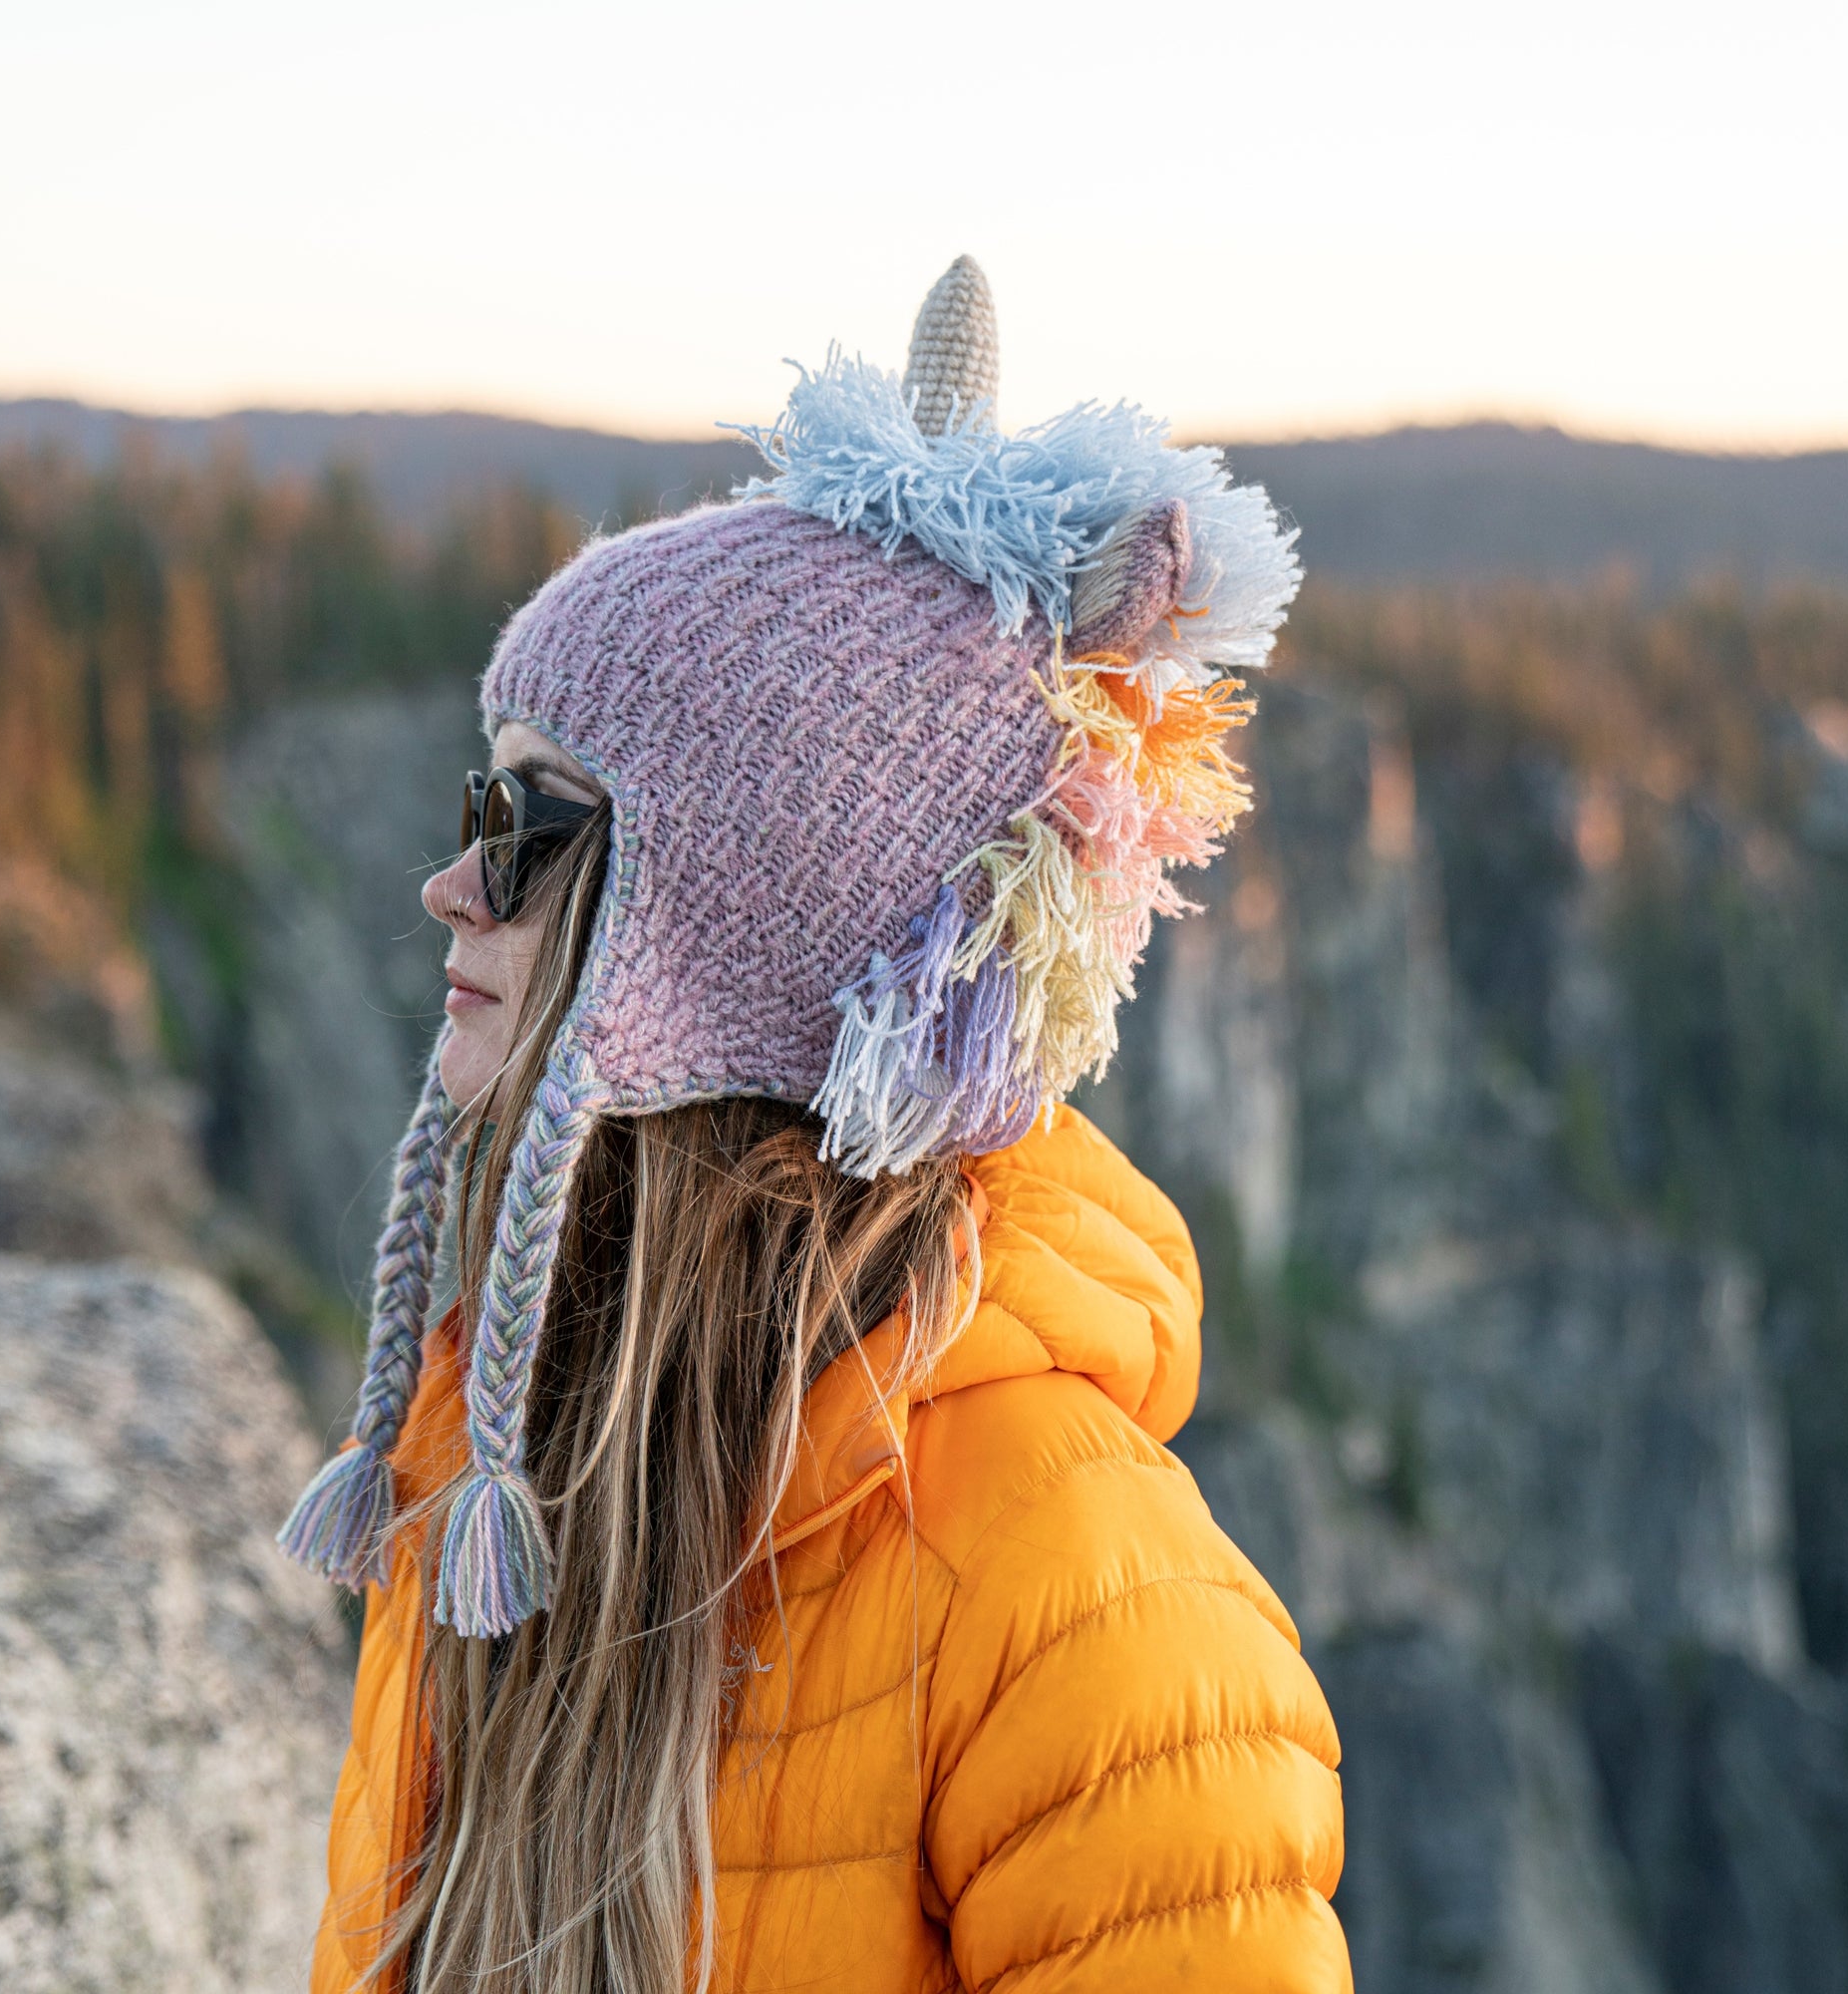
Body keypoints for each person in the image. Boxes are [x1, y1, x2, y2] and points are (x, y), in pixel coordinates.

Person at [280, 257, 1350, 1993]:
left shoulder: (1079, 1592)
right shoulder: (504, 1464)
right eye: (483, 800)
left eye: (538, 825)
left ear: (753, 920)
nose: (450, 882)